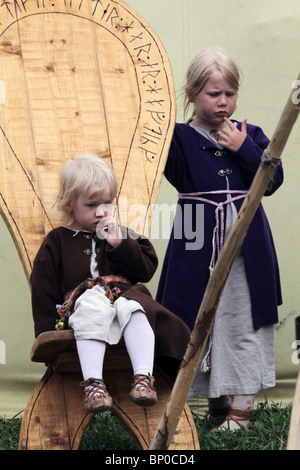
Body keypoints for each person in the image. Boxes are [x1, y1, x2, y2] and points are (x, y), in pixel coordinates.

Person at [156, 49, 283, 430]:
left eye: (230, 93)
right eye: (214, 94)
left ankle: (240, 415)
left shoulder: (252, 135)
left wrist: (242, 148)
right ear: (192, 93)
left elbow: (272, 181)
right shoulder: (176, 138)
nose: (223, 102)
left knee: (242, 322)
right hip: (195, 238)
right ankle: (214, 407)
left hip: (249, 246)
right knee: (199, 321)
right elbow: (156, 160)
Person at [31, 154, 190, 414]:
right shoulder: (57, 240)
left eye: (108, 203)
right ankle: (94, 385)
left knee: (137, 308)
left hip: (122, 300)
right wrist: (47, 334)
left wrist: (120, 244)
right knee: (92, 303)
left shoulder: (121, 234)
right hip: (83, 309)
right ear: (68, 203)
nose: (102, 211)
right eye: (92, 205)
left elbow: (146, 268)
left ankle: (143, 379)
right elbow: (43, 289)